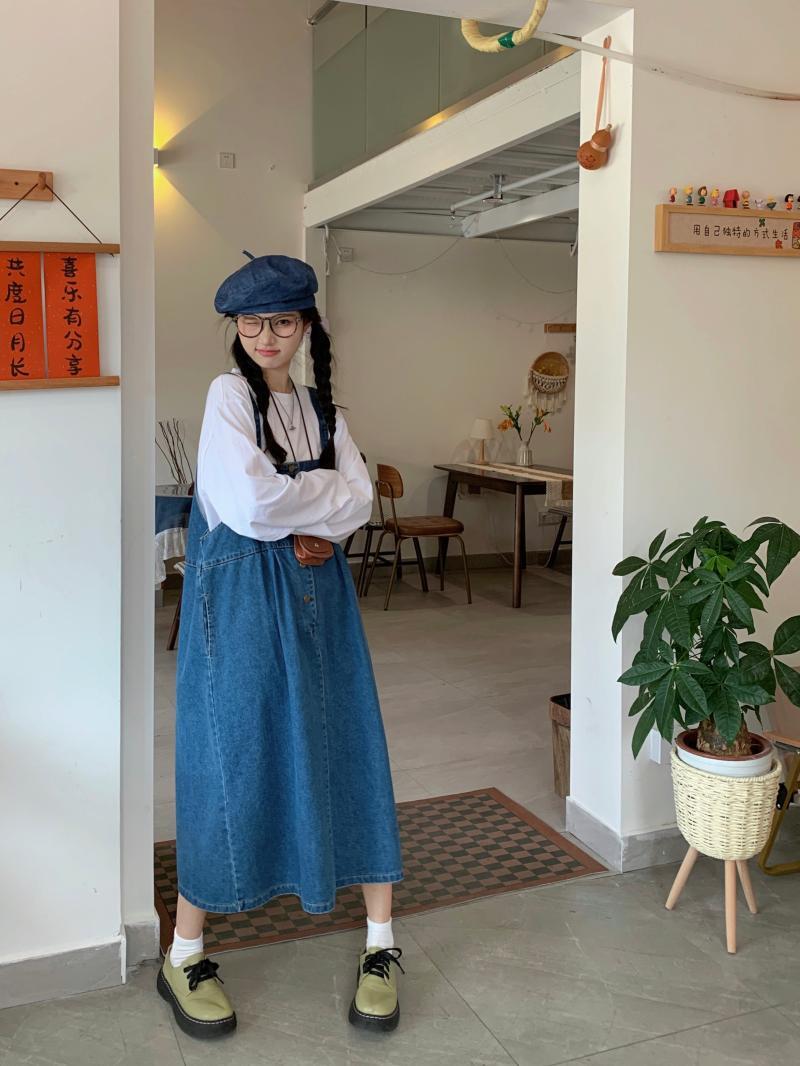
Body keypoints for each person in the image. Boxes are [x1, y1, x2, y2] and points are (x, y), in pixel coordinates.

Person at [156, 253, 405, 1040]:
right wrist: (316, 508)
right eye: (251, 323)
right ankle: (184, 953)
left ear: (307, 327)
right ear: (236, 328)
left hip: (321, 599)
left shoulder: (323, 408)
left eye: (283, 322)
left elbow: (359, 501)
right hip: (238, 605)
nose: (266, 336)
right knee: (232, 757)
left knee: (348, 743)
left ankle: (382, 943)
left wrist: (307, 510)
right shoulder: (227, 395)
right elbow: (248, 503)